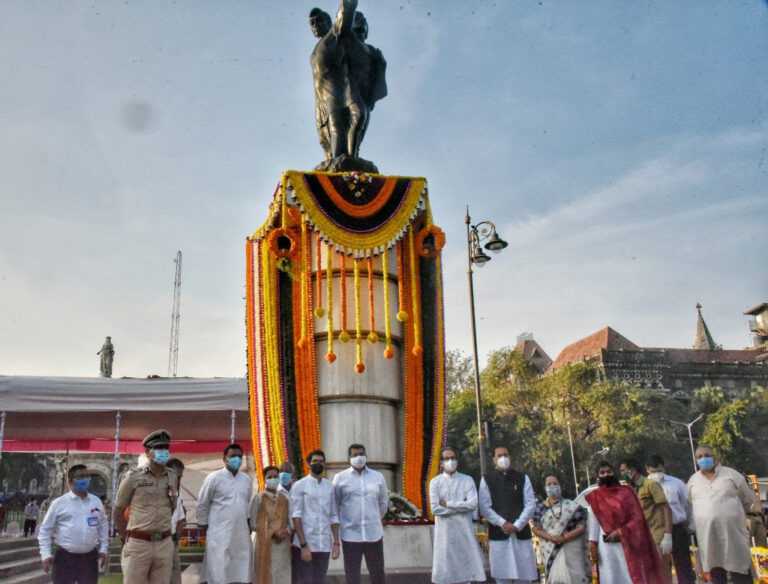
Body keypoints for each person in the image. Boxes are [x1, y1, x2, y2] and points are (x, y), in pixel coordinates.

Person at [114, 429, 178, 584]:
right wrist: (125, 537)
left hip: (164, 542)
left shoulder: (172, 476)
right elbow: (118, 510)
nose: (163, 452)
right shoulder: (133, 477)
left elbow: (172, 506)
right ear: (148, 452)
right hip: (138, 543)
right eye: (159, 449)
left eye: (165, 449)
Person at [585, 460, 664, 584]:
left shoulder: (626, 492)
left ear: (614, 473)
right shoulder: (594, 496)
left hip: (627, 544)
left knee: (629, 577)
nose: (606, 475)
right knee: (610, 578)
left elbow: (637, 518)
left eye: (609, 471)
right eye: (602, 473)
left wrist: (621, 532)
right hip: (605, 548)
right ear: (598, 476)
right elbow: (594, 521)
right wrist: (592, 544)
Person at [687, 445, 757, 584]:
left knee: (740, 568)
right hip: (708, 536)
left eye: (707, 455)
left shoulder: (731, 474)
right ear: (695, 460)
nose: (703, 459)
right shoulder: (692, 481)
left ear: (715, 457)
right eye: (699, 457)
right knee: (716, 570)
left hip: (733, 533)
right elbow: (689, 505)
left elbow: (748, 499)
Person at [38, 465, 108, 584]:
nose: (85, 479)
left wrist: (104, 548)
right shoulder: (59, 503)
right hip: (65, 559)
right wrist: (45, 554)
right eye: (80, 476)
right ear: (70, 482)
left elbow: (103, 526)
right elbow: (45, 530)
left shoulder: (96, 502)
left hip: (89, 559)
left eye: (87, 476)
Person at [478, 446, 538, 584]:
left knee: (524, 578)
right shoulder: (487, 479)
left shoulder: (522, 478)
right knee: (502, 578)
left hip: (521, 534)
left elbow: (530, 504)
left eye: (505, 455)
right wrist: (502, 523)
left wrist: (517, 525)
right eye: (499, 456)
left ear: (510, 457)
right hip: (499, 535)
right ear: (494, 459)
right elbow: (484, 507)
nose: (503, 458)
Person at [332, 443, 388, 584]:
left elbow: (383, 503)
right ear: (349, 458)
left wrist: (374, 518)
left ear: (366, 456)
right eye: (355, 455)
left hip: (373, 534)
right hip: (350, 535)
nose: (359, 457)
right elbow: (335, 505)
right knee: (352, 575)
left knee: (378, 573)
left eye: (361, 454)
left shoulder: (378, 477)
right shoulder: (340, 478)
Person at [428, 446, 486, 584]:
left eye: (453, 458)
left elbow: (472, 504)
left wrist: (448, 504)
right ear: (441, 463)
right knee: (446, 574)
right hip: (445, 535)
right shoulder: (435, 482)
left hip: (464, 531)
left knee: (467, 574)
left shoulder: (467, 480)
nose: (451, 461)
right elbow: (435, 509)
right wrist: (461, 507)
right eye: (447, 459)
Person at [197, 443, 253, 584]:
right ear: (224, 459)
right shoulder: (213, 478)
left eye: (239, 456)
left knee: (240, 567)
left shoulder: (246, 480)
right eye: (233, 456)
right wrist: (203, 526)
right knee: (218, 568)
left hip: (240, 531)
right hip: (219, 531)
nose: (237, 459)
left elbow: (246, 504)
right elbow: (203, 503)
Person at [619, 458, 673, 582]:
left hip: (657, 535)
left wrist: (668, 534)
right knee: (649, 573)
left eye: (623, 470)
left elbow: (666, 508)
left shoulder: (650, 485)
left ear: (632, 470)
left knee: (663, 571)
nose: (622, 474)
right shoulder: (629, 489)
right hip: (641, 537)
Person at [645, 454, 696, 584]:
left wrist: (690, 526)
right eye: (653, 471)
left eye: (659, 470)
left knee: (683, 565)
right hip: (655, 532)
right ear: (647, 469)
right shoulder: (644, 487)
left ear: (664, 467)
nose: (657, 474)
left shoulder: (676, 483)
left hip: (677, 529)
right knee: (661, 568)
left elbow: (687, 505)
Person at [291, 449, 341, 584]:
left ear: (324, 464)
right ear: (308, 464)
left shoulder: (330, 487)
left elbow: (334, 516)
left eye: (321, 461)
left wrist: (336, 542)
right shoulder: (299, 485)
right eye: (314, 461)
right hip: (305, 544)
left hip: (324, 545)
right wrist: (303, 545)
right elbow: (296, 516)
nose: (318, 464)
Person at [531, 474, 590, 584]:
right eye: (549, 484)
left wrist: (564, 538)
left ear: (560, 486)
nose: (552, 486)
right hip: (550, 552)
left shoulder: (573, 506)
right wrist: (552, 538)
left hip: (572, 551)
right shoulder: (539, 508)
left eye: (555, 483)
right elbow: (536, 529)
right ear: (545, 488)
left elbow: (581, 526)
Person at [251, 466, 292, 584]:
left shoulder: (285, 498)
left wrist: (285, 531)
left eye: (275, 477)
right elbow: (253, 524)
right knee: (266, 575)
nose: (273, 479)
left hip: (282, 545)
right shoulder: (258, 498)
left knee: (281, 575)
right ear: (264, 479)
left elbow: (290, 521)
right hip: (264, 544)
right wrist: (272, 532)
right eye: (270, 477)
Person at [277, 461, 299, 584]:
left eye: (288, 472)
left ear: (293, 475)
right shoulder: (274, 490)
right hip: (280, 534)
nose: (284, 475)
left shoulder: (298, 488)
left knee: (296, 568)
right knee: (281, 567)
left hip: (297, 534)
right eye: (282, 472)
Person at [167, 458, 187, 584]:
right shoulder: (152, 492)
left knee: (175, 578)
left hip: (171, 542)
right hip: (154, 544)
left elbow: (181, 520)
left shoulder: (177, 496)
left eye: (180, 477)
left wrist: (175, 539)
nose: (178, 480)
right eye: (176, 476)